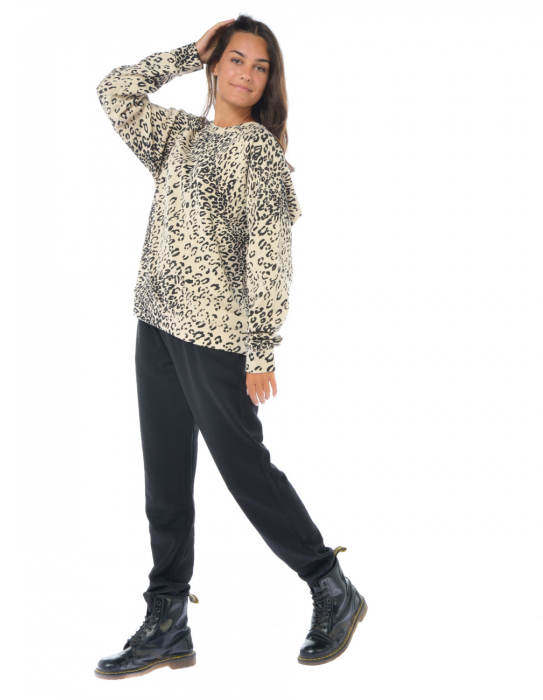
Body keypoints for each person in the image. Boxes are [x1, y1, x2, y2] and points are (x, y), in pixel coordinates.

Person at [93, 15, 367, 679]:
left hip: (217, 336)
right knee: (164, 477)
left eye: (260, 66)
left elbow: (271, 259)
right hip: (155, 325)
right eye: (235, 59)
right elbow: (113, 91)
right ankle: (166, 619)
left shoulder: (257, 153)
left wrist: (262, 350)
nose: (246, 73)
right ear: (217, 65)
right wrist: (187, 53)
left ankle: (330, 584)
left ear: (270, 82)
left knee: (245, 469)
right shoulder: (177, 135)